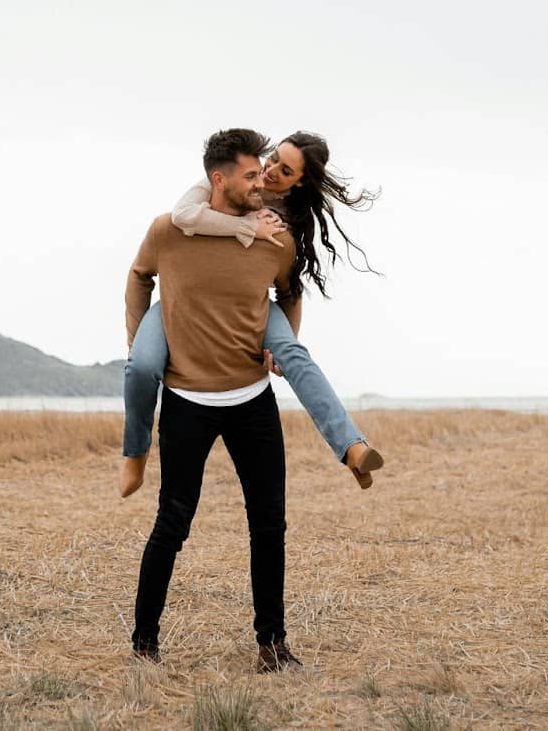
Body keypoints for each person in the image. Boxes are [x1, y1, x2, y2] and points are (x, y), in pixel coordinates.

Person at [125, 128, 306, 671]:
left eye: (264, 173)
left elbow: (290, 291)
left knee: (269, 523)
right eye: (252, 175)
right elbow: (139, 277)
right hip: (186, 401)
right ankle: (144, 643)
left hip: (252, 400)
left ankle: (271, 646)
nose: (263, 183)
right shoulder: (169, 231)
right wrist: (140, 346)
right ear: (218, 179)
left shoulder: (274, 237)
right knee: (172, 523)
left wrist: (282, 346)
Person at [120, 130, 383, 498]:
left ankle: (352, 447)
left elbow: (289, 290)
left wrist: (282, 342)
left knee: (295, 355)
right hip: (189, 297)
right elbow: (184, 215)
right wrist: (246, 226)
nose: (270, 172)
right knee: (141, 365)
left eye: (284, 170)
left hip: (252, 303)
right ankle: (135, 452)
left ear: (299, 182)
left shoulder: (287, 221)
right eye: (273, 159)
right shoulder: (231, 180)